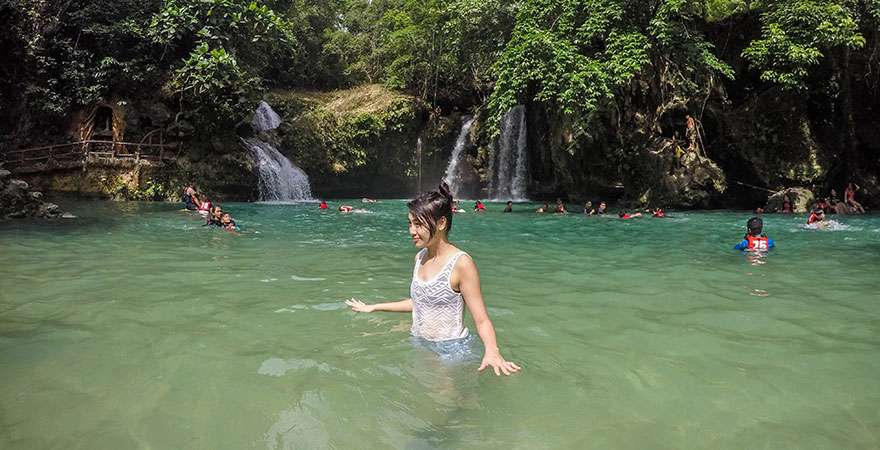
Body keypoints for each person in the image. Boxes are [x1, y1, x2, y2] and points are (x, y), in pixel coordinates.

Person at [345, 182, 521, 376]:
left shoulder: (461, 264)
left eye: (418, 224)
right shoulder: (419, 258)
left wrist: (492, 351)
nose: (411, 231)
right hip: (419, 342)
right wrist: (374, 307)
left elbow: (481, 320)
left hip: (450, 351)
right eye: (410, 224)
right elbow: (420, 303)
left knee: (442, 404)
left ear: (441, 223)